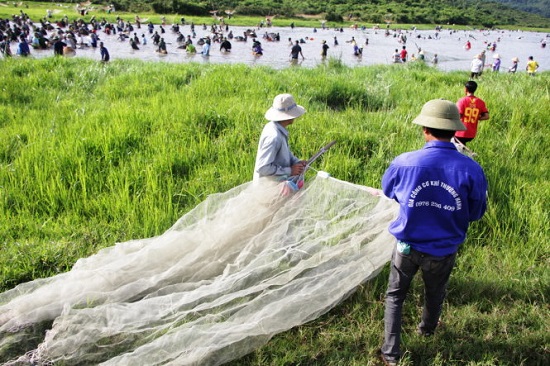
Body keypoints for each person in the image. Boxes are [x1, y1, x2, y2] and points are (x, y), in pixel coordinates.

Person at [379, 99, 488, 366]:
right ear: (454, 131)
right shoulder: (471, 169)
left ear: (425, 129)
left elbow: (388, 192)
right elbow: (476, 212)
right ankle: (426, 329)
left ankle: (390, 353)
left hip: (406, 245)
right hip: (443, 249)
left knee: (395, 295)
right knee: (435, 292)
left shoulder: (404, 162)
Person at [253, 94, 307, 184]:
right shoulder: (274, 137)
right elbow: (263, 168)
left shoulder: (277, 128)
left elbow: (285, 154)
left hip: (279, 184)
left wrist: (297, 162)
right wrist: (290, 171)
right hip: (268, 188)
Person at [454, 81, 489, 145]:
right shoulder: (481, 102)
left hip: (460, 133)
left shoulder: (462, 101)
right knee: (462, 146)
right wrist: (478, 117)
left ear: (466, 89)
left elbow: (458, 116)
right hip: (471, 134)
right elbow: (487, 116)